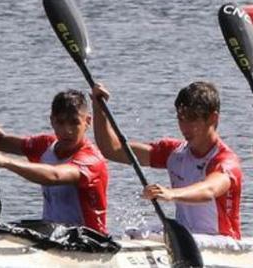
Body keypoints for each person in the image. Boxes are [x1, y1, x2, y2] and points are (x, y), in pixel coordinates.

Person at [91, 81, 242, 239]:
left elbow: (209, 190)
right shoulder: (174, 153)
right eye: (181, 119)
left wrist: (171, 194)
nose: (185, 127)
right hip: (187, 238)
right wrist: (98, 106)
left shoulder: (225, 161)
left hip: (222, 241)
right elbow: (112, 150)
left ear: (212, 118)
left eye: (192, 119)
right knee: (135, 234)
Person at [0, 89, 108, 233]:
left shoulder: (91, 159)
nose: (67, 130)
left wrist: (5, 162)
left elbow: (55, 176)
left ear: (87, 122)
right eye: (60, 122)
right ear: (52, 121)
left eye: (74, 122)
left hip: (91, 243)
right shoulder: (45, 145)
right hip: (56, 235)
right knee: (4, 231)